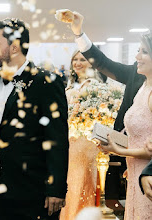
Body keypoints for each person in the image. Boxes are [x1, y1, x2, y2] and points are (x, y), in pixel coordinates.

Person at [63, 11, 152, 219]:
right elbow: (102, 62)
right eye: (137, 51)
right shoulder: (137, 79)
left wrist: (120, 151)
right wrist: (78, 33)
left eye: (144, 52)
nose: (136, 56)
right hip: (133, 170)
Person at [0, 18, 69, 220]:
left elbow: (57, 138)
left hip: (34, 190)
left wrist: (56, 187)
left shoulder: (46, 82)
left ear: (14, 47)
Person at [60, 50, 103, 220]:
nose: (78, 63)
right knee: (69, 183)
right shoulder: (71, 85)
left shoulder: (94, 86)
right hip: (69, 141)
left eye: (82, 59)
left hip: (84, 142)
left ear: (91, 63)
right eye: (75, 59)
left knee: (80, 182)